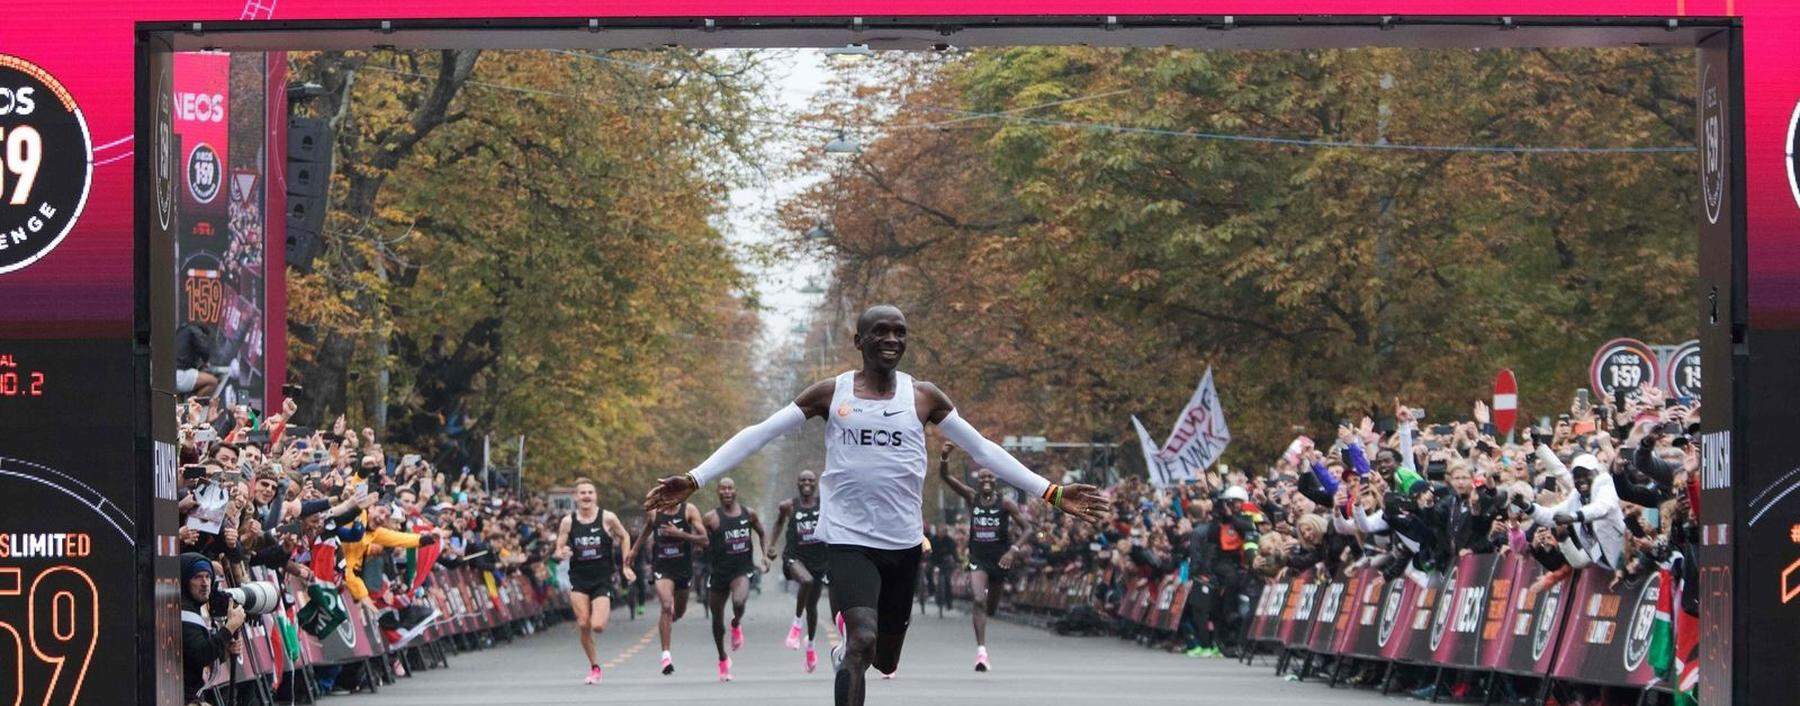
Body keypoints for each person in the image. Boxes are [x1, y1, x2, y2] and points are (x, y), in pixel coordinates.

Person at [643, 304, 1109, 706]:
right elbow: (761, 432)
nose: (891, 338)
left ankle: (852, 655)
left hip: (903, 544)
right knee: (861, 639)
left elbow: (983, 449)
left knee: (884, 657)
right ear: (859, 340)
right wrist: (695, 477)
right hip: (847, 540)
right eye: (880, 331)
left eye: (899, 332)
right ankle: (849, 652)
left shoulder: (923, 396)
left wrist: (1052, 492)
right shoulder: (832, 393)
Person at [937, 444, 1034, 672]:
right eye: (982, 477)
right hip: (978, 558)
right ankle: (982, 652)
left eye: (990, 476)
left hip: (1001, 559)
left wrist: (1013, 550)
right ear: (977, 482)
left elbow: (1028, 529)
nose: (986, 480)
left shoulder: (1006, 504)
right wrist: (943, 457)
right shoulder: (972, 497)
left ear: (996, 480)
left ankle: (985, 619)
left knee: (990, 609)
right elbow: (945, 477)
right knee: (978, 600)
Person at [551, 478, 636, 685]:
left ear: (595, 496)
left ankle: (595, 654)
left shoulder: (607, 518)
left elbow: (624, 536)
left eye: (590, 492)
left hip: (602, 578)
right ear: (576, 497)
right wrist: (562, 553)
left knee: (597, 626)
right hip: (579, 578)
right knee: (583, 623)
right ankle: (595, 667)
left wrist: (625, 565)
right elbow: (558, 550)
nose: (587, 496)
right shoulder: (568, 521)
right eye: (583, 493)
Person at [628, 494, 707, 675]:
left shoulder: (689, 510)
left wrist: (680, 534)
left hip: (683, 569)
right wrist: (634, 550)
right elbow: (647, 530)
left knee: (677, 612)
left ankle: (668, 622)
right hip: (662, 567)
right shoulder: (655, 513)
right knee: (666, 606)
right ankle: (666, 657)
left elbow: (704, 539)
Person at [703, 477, 766, 681]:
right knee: (717, 622)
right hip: (719, 572)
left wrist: (765, 555)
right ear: (718, 492)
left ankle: (736, 623)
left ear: (735, 491)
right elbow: (702, 541)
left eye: (730, 488)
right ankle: (722, 659)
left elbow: (762, 533)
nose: (727, 491)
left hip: (741, 570)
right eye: (723, 489)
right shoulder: (711, 518)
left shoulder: (749, 514)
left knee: (738, 602)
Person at [767, 470, 830, 672]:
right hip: (794, 557)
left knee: (812, 607)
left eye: (810, 480)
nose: (806, 483)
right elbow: (777, 525)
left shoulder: (825, 505)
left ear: (815, 483)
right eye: (803, 479)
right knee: (806, 581)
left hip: (819, 561)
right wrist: (771, 546)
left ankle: (810, 646)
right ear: (797, 483)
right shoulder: (789, 506)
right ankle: (795, 626)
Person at [181, 553, 244, 706]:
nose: (205, 583)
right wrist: (229, 628)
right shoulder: (183, 611)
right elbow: (201, 654)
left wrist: (225, 650)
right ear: (184, 581)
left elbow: (193, 658)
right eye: (197, 577)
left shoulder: (193, 608)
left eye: (208, 577)